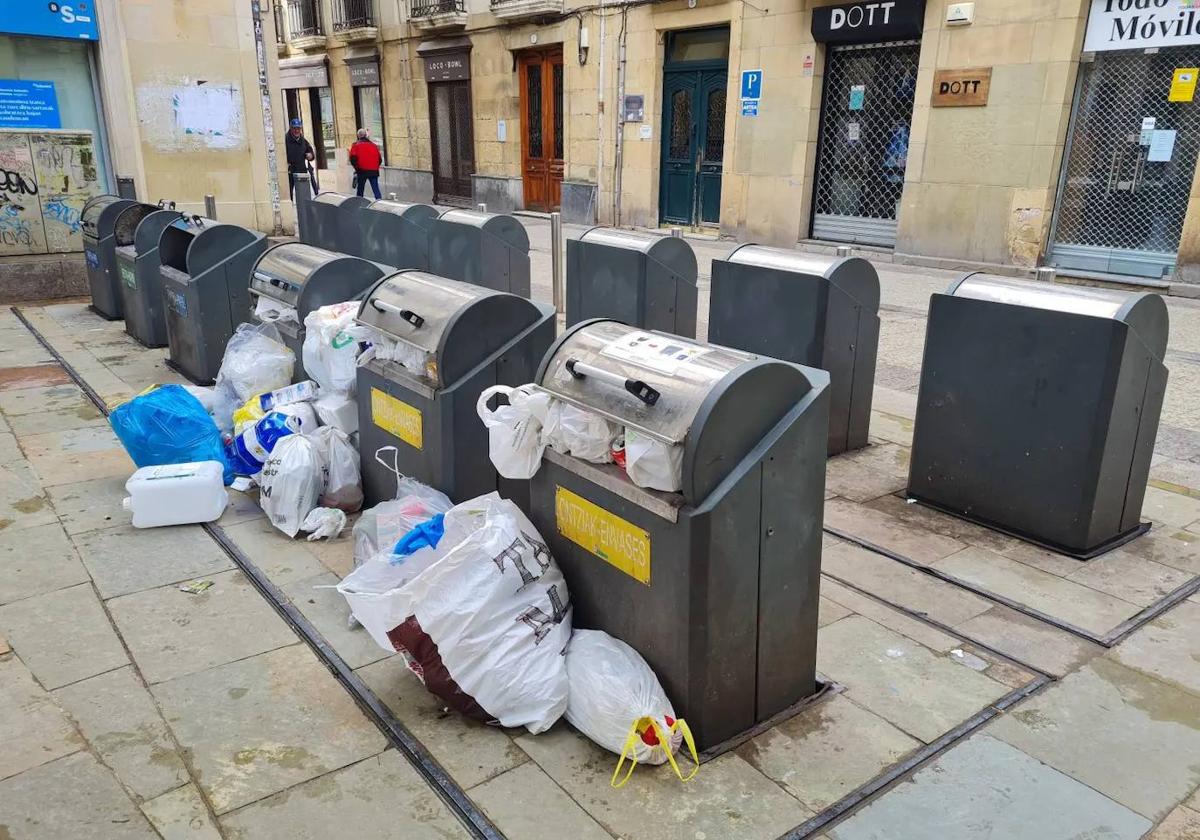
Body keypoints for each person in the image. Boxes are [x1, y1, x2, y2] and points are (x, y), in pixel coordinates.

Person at [285, 118, 317, 200]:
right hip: (289, 172)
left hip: (301, 171)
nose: (296, 131)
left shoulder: (303, 141)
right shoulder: (285, 140)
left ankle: (304, 211)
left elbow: (311, 153)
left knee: (303, 195)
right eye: (294, 128)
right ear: (291, 128)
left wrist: (311, 155)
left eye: (298, 128)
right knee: (288, 195)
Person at [349, 128, 383, 199]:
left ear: (358, 136)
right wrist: (375, 167)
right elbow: (379, 159)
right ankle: (380, 203)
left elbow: (352, 159)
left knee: (360, 190)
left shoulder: (355, 145)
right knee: (376, 190)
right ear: (366, 135)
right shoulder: (374, 145)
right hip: (374, 171)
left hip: (362, 171)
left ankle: (359, 204)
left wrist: (357, 169)